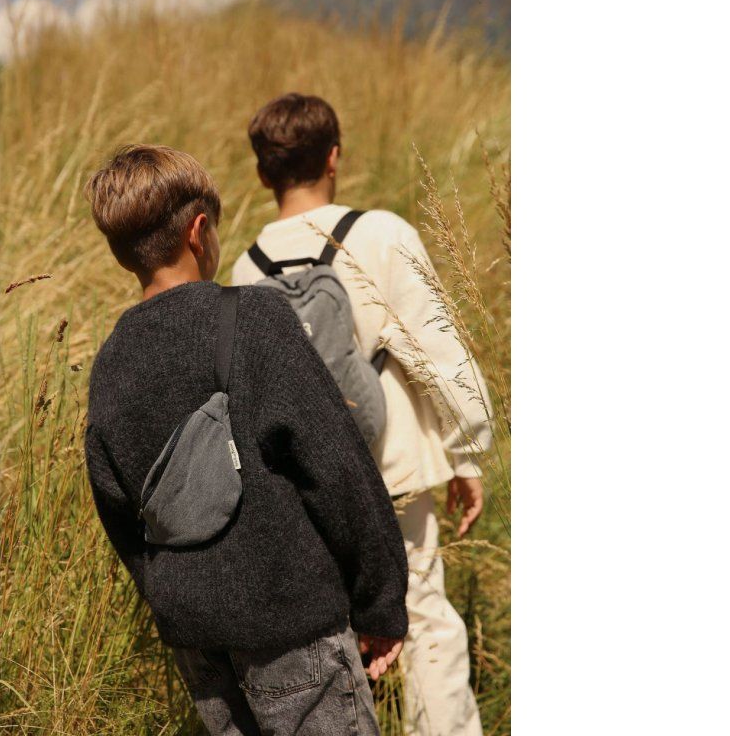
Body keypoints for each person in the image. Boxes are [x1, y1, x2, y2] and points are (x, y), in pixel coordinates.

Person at [84, 144, 409, 735]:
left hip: (197, 641)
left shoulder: (111, 361)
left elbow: (117, 509)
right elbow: (336, 465)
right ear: (198, 232)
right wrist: (381, 600)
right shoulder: (254, 318)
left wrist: (172, 593)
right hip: (291, 624)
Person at [232, 94, 493, 736]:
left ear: (263, 173)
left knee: (334, 631)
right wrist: (466, 451)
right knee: (423, 617)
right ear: (334, 157)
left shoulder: (244, 267)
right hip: (391, 468)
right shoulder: (380, 234)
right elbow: (437, 351)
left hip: (304, 485)